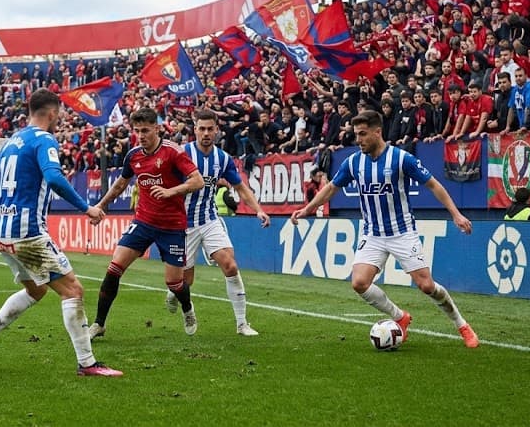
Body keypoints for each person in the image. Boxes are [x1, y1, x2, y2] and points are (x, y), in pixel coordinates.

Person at [290, 110, 479, 348]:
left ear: (377, 132)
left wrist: (456, 214)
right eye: (355, 134)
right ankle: (400, 317)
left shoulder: (401, 159)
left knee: (427, 286)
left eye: (362, 134)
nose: (358, 140)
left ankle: (462, 325)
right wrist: (308, 208)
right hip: (372, 234)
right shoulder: (353, 162)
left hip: (402, 232)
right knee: (359, 283)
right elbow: (331, 188)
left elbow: (434, 185)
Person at [0, 88, 122, 377]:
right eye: (59, 114)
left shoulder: (11, 142)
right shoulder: (44, 139)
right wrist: (86, 208)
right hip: (27, 233)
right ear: (51, 113)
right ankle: (87, 363)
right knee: (73, 290)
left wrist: (8, 213)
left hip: (3, 232)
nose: (59, 119)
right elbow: (53, 177)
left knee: (35, 290)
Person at [89, 107, 205, 339]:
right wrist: (100, 205)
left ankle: (187, 308)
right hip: (143, 222)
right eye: (137, 131)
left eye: (145, 130)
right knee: (114, 268)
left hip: (172, 225)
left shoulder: (173, 152)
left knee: (174, 282)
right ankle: (99, 324)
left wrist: (171, 191)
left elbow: (198, 181)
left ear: (157, 128)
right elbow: (120, 185)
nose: (141, 136)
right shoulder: (133, 155)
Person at [163, 110, 270, 336]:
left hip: (210, 220)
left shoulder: (222, 159)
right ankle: (175, 292)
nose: (206, 133)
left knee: (230, 264)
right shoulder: (183, 154)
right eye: (202, 129)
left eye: (210, 129)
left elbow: (241, 187)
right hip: (184, 225)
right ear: (195, 130)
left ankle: (242, 324)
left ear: (217, 130)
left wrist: (258, 210)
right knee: (185, 280)